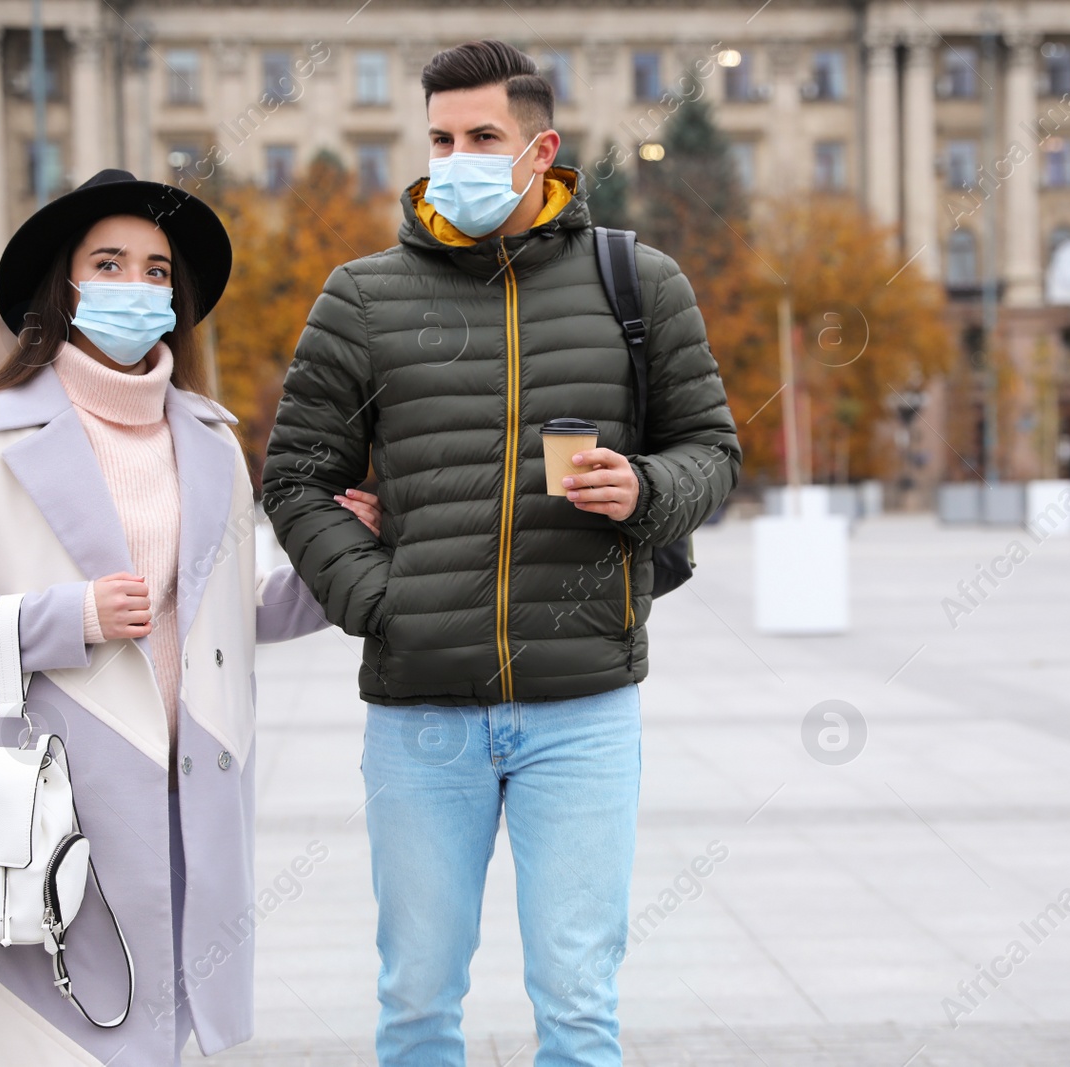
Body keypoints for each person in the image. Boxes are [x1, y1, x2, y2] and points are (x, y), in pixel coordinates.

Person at [263, 40, 742, 1067]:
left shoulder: (637, 283)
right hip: (421, 713)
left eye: (483, 137)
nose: (457, 157)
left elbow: (713, 449)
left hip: (584, 709)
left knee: (577, 1001)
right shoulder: (362, 295)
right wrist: (378, 599)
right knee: (418, 997)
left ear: (541, 149)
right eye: (441, 138)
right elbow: (295, 475)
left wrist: (647, 489)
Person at [0, 169, 373, 1065]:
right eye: (109, 263)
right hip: (55, 811)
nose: (136, 286)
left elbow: (236, 611)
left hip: (191, 808)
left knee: (163, 1035)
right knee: (59, 1036)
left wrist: (344, 555)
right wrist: (68, 617)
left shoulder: (212, 439)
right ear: (64, 288)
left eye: (154, 270)